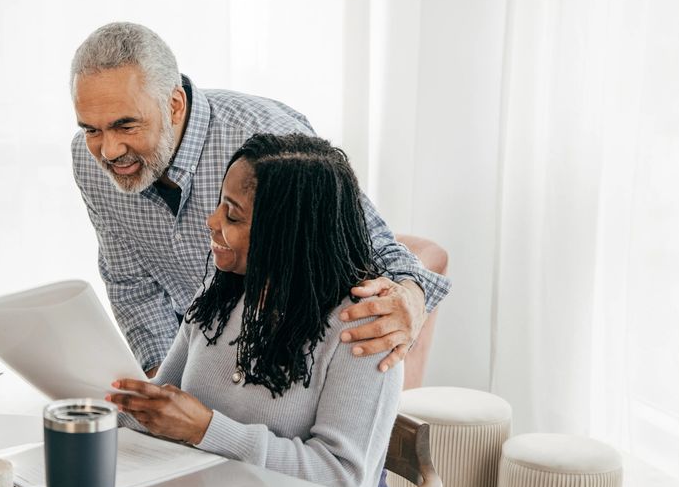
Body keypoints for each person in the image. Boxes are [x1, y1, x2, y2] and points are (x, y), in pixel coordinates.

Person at [109, 133, 400, 487]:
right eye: (219, 205)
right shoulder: (221, 298)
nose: (212, 222)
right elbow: (156, 408)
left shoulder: (361, 329)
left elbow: (344, 477)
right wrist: (103, 404)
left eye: (233, 214)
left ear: (287, 232)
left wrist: (207, 430)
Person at [70, 22, 451, 379]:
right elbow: (132, 285)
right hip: (203, 358)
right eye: (91, 129)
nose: (109, 149)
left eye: (126, 125)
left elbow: (368, 241)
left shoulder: (265, 136)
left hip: (295, 360)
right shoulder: (89, 162)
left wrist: (412, 295)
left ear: (173, 106)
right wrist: (167, 388)